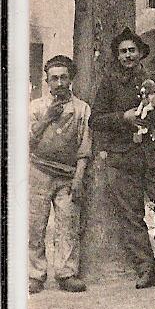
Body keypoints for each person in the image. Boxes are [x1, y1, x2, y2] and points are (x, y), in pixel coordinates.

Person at [90, 28, 155, 288]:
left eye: (132, 50)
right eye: (123, 52)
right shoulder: (109, 82)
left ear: (141, 53)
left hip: (154, 156)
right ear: (117, 56)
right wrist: (124, 117)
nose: (128, 55)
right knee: (131, 217)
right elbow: (95, 119)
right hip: (123, 158)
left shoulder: (154, 78)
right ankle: (145, 268)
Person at [28, 55, 91, 294]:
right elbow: (28, 141)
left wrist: (78, 178)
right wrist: (47, 118)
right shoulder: (36, 107)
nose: (59, 83)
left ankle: (66, 273)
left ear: (71, 79)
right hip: (38, 171)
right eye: (54, 78)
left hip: (67, 175)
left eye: (64, 77)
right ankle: (35, 274)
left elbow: (85, 146)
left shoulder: (82, 109)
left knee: (68, 224)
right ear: (47, 81)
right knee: (35, 225)